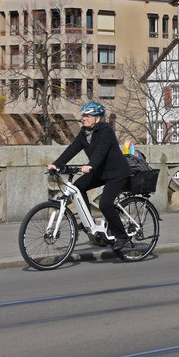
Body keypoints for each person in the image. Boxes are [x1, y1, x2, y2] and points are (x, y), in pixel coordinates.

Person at [48, 101, 132, 252]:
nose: (84, 118)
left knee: (105, 204)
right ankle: (89, 222)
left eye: (87, 116)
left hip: (116, 173)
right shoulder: (84, 133)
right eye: (83, 115)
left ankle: (123, 237)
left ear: (97, 118)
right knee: (78, 187)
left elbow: (101, 150)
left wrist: (91, 165)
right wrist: (56, 164)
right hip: (100, 172)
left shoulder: (106, 131)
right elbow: (71, 150)